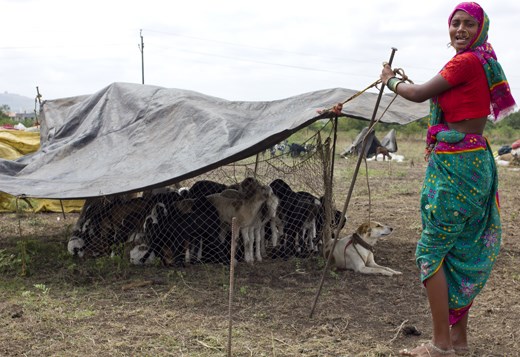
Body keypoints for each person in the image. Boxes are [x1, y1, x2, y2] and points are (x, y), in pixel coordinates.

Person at [380, 2, 516, 356]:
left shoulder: (466, 61)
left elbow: (417, 94)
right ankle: (459, 341)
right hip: (475, 160)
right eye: (454, 23)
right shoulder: (482, 61)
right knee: (455, 250)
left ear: (480, 28)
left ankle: (440, 345)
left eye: (468, 24)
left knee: (430, 251)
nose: (459, 30)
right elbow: (437, 92)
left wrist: (390, 79)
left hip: (457, 165)